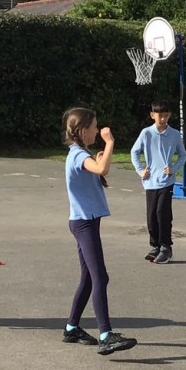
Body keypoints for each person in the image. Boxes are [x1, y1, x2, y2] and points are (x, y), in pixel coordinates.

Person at [62, 107, 138, 355]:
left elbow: (98, 168)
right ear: (83, 130)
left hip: (87, 222)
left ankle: (71, 327)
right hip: (84, 224)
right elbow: (102, 169)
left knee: (87, 278)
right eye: (94, 126)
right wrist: (110, 142)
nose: (97, 130)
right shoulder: (76, 155)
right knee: (100, 277)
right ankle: (106, 334)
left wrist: (101, 155)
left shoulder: (80, 153)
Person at [130, 100, 186, 264]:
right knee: (151, 216)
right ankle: (154, 245)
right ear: (152, 115)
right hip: (150, 182)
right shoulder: (146, 133)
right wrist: (140, 171)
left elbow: (183, 155)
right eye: (160, 116)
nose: (163, 119)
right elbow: (134, 152)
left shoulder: (175, 134)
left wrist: (173, 169)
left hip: (166, 181)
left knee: (163, 213)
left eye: (166, 116)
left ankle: (166, 247)